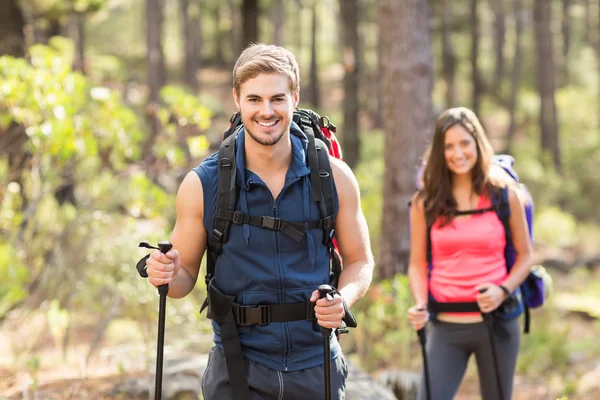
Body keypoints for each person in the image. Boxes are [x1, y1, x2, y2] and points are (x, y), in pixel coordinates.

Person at [144, 43, 374, 400]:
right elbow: (183, 279)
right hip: (239, 367)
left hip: (317, 366)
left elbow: (360, 261)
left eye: (277, 99)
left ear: (295, 97)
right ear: (237, 99)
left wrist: (341, 301)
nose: (266, 111)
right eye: (254, 99)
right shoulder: (203, 184)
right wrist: (166, 273)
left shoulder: (334, 176)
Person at [406, 107, 533, 400]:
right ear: (439, 151)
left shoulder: (504, 193)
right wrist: (420, 304)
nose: (457, 153)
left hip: (497, 323)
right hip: (445, 326)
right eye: (448, 146)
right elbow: (416, 264)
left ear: (478, 143)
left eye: (464, 143)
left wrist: (502, 290)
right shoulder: (425, 202)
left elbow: (526, 256)